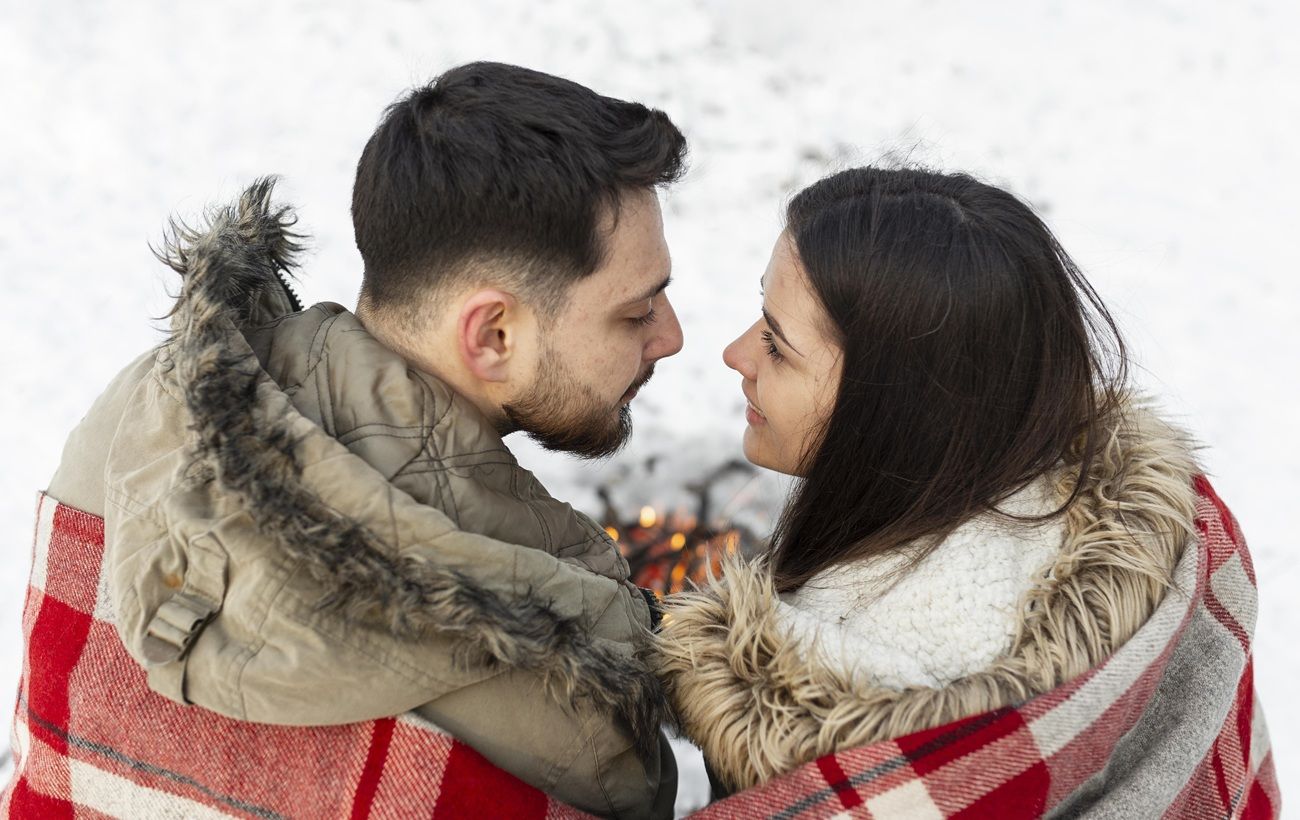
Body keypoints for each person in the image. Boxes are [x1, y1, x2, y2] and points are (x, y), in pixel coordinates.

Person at [5, 62, 684, 818]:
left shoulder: (142, 413)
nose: (672, 337)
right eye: (636, 311)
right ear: (492, 333)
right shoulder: (565, 684)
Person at [654, 167, 1279, 816]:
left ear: (897, 405)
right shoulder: (1124, 543)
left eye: (777, 345)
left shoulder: (857, 716)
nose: (735, 354)